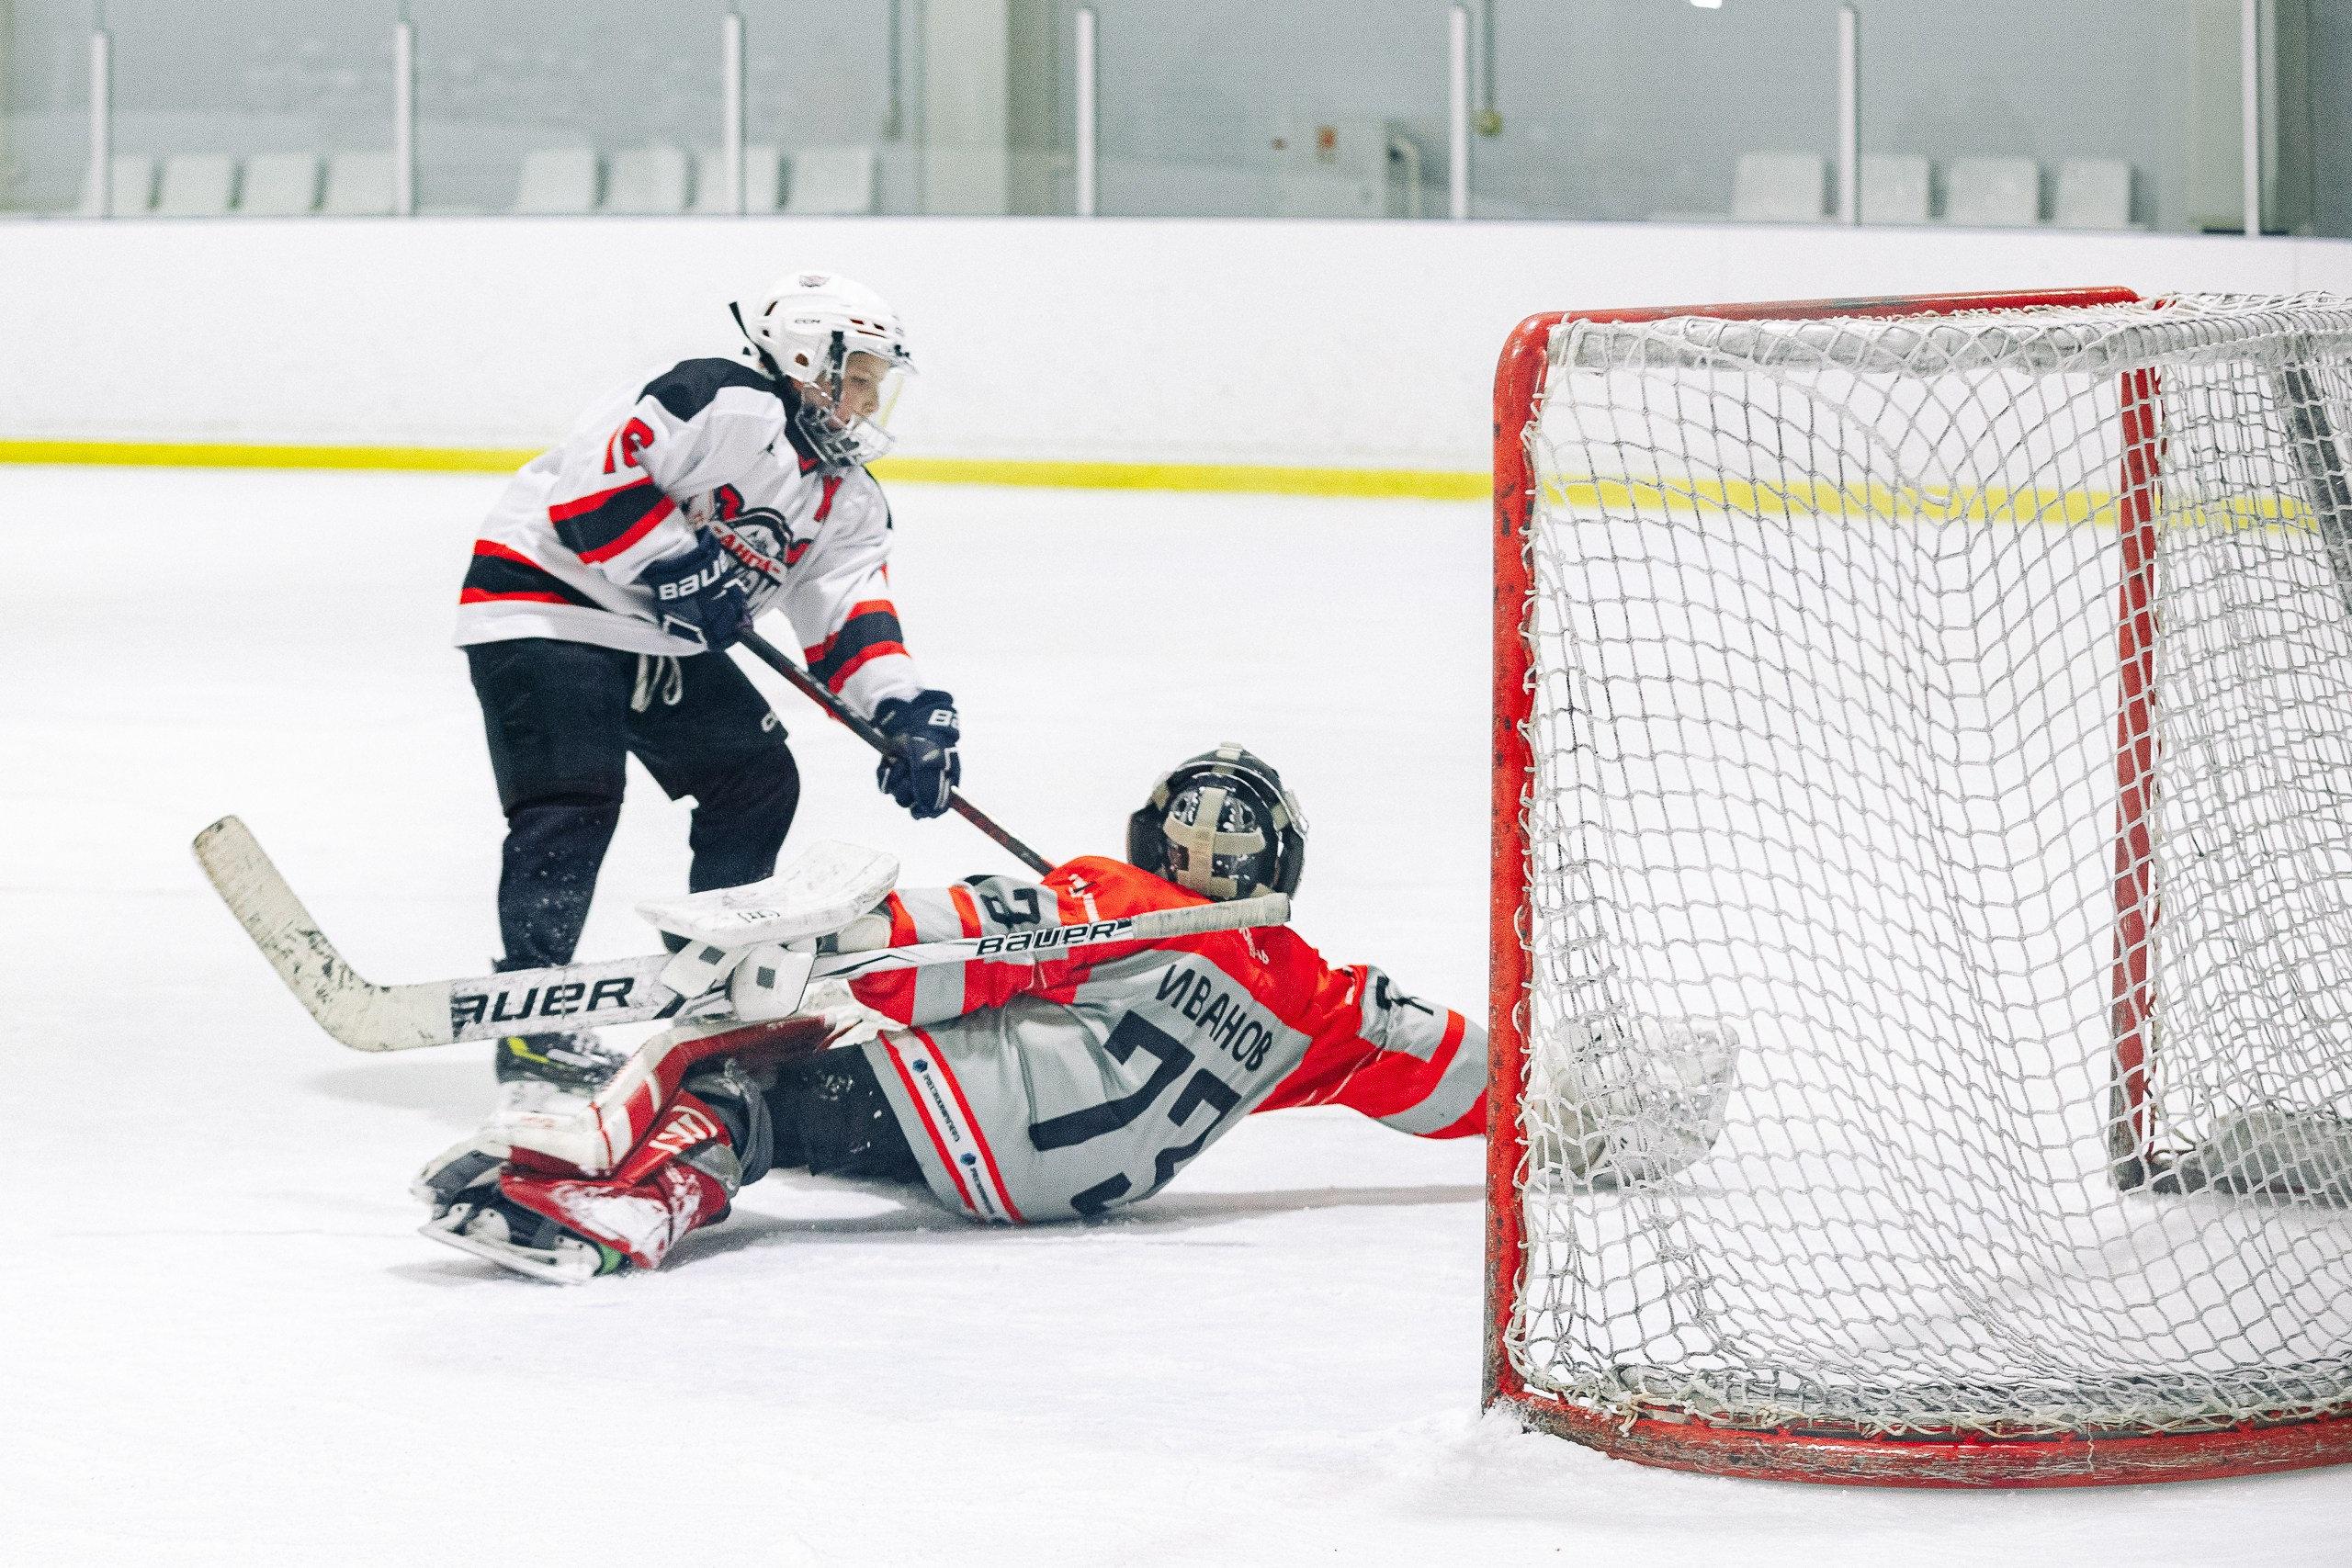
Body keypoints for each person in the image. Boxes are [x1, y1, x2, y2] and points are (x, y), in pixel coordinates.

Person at [419, 746, 1492, 1281]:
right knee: (785, 1069)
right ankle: (591, 1170)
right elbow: (1454, 1071)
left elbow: (947, 949)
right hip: (1082, 1191)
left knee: (744, 1079)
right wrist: (1557, 1105)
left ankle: (625, 1208)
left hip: (981, 1117)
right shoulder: (1320, 1001)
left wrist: (829, 943)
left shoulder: (1116, 897)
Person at [453, 271, 963, 1100]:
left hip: (659, 638)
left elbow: (850, 617)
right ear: (808, 359)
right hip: (546, 602)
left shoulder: (844, 499)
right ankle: (533, 1015)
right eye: (860, 377)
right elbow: (594, 480)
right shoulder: (725, 402)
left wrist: (905, 712)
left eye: (879, 383)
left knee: (755, 780)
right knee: (574, 798)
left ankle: (717, 980)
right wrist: (676, 565)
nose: (871, 401)